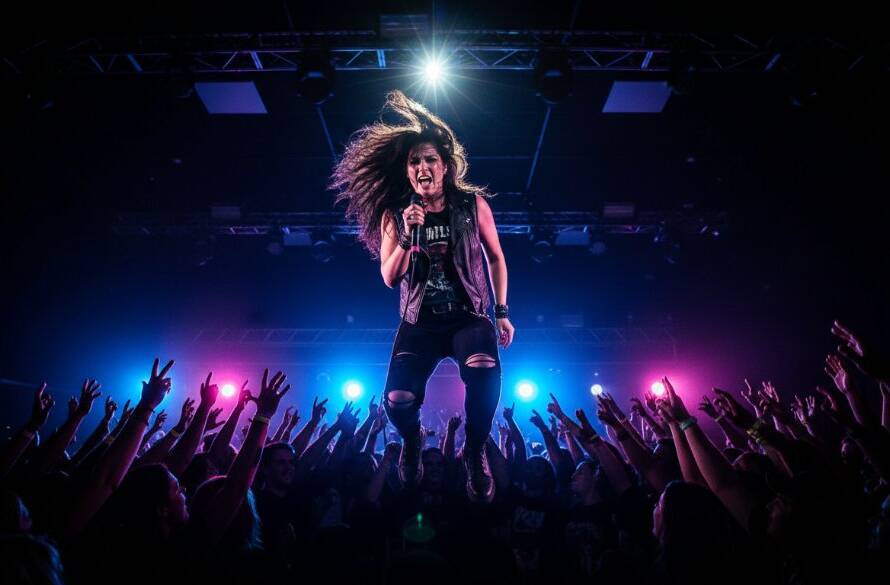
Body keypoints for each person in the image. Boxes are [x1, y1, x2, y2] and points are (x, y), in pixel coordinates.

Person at [331, 90, 515, 502]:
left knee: (484, 367)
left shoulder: (471, 204)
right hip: (420, 322)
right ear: (409, 172)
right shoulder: (396, 214)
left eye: (429, 159)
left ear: (445, 167)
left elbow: (497, 258)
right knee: (398, 399)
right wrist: (409, 236)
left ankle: (473, 451)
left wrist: (500, 312)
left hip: (468, 314)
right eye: (415, 162)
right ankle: (413, 443)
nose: (421, 167)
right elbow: (388, 275)